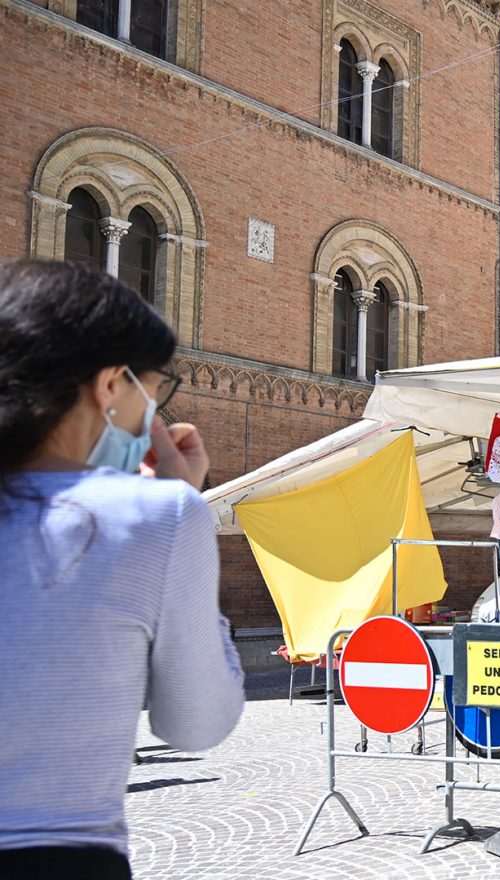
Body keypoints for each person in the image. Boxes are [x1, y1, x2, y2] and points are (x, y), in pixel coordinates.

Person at [0, 261, 245, 876]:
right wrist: (182, 506)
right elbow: (197, 723)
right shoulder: (155, 515)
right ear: (110, 385)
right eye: (156, 389)